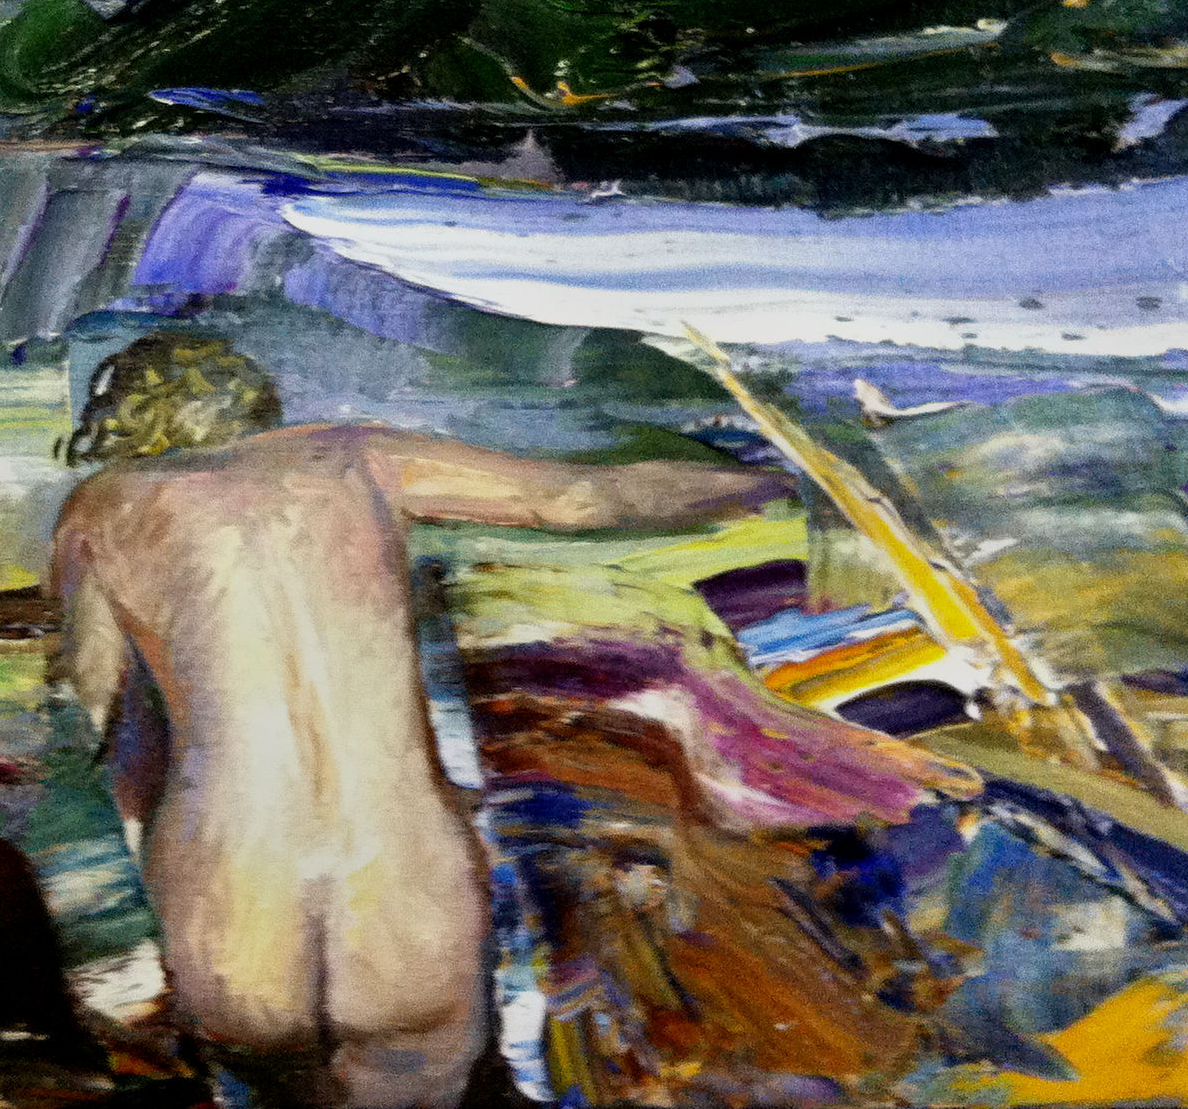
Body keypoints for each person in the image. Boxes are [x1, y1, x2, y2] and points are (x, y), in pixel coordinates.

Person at [49, 332, 795, 1109]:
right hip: (400, 886)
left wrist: (145, 865)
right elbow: (580, 499)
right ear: (253, 402)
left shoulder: (100, 511)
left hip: (230, 897)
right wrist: (776, 482)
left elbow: (110, 722)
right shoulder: (350, 458)